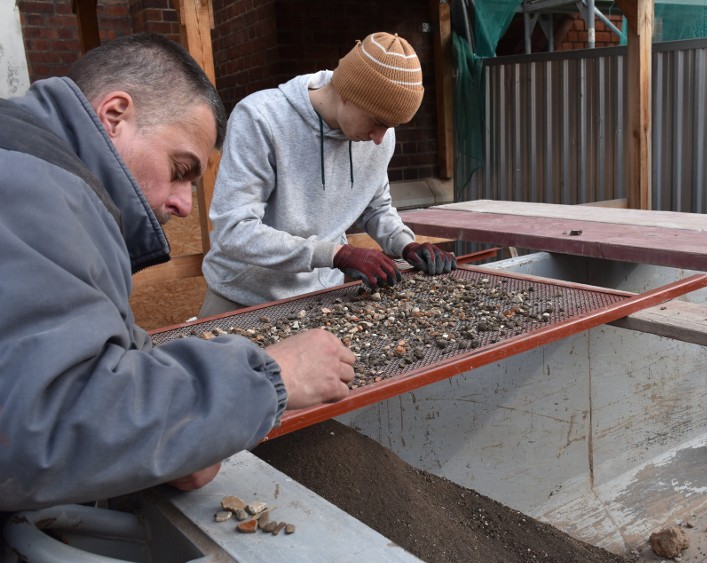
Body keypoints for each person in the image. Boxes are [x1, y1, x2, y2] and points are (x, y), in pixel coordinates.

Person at [0, 33, 355, 512]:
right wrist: (271, 377)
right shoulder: (29, 191)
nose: (185, 205)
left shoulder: (35, 171)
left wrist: (186, 427)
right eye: (180, 168)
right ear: (114, 116)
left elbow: (77, 342)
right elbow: (38, 429)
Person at [199, 32, 456, 318]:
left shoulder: (378, 138)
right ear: (348, 92)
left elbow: (376, 207)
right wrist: (336, 254)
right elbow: (234, 230)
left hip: (322, 297)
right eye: (378, 122)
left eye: (391, 126)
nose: (380, 138)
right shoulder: (260, 118)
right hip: (242, 298)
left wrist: (406, 244)